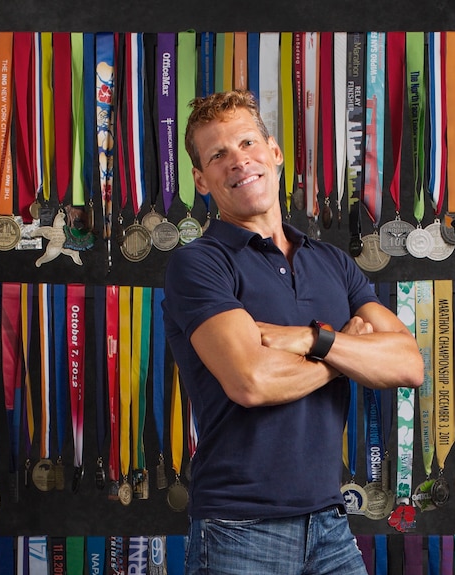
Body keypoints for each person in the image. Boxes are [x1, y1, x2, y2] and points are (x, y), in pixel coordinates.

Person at [162, 90, 424, 575]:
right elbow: (252, 383)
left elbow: (408, 364)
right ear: (201, 179)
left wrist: (311, 340)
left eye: (246, 143)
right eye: (217, 155)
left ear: (274, 152)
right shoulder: (200, 264)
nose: (238, 161)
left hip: (329, 521)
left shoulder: (332, 263)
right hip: (238, 528)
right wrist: (346, 352)